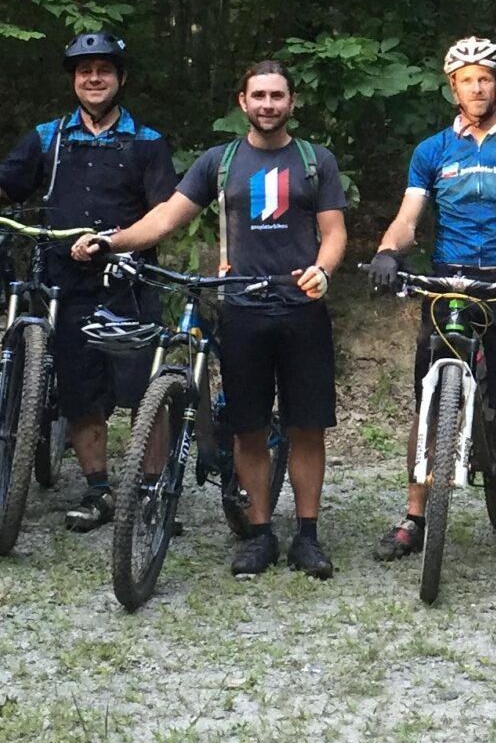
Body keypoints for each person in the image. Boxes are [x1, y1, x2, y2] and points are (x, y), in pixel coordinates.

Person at [72, 59, 347, 579]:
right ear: (242, 103)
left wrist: (323, 270)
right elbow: (166, 217)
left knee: (306, 428)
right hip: (239, 309)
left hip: (302, 309)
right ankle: (261, 534)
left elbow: (333, 232)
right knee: (246, 428)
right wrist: (113, 240)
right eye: (258, 96)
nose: (268, 104)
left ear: (291, 103)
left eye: (277, 96)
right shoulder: (219, 162)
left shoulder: (316, 161)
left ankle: (307, 535)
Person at [0, 31, 177, 534]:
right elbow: (3, 178)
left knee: (143, 389)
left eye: (104, 70)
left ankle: (152, 494)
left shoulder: (148, 143)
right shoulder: (50, 136)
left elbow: (166, 211)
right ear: (73, 79)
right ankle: (99, 492)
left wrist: (119, 242)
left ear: (121, 79)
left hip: (129, 279)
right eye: (84, 70)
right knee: (78, 390)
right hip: (63, 283)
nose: (94, 78)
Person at [365, 36, 496, 572]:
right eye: (466, 79)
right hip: (447, 283)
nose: (477, 87)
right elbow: (410, 218)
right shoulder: (432, 151)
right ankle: (414, 516)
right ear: (452, 87)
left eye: (486, 78)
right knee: (428, 406)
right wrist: (387, 249)